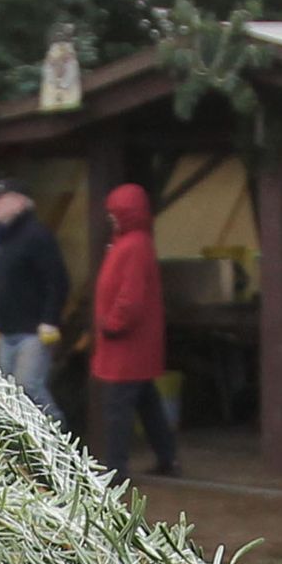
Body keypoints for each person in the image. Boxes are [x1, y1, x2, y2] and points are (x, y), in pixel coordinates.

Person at [87, 180, 176, 477]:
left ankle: (115, 469)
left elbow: (131, 297)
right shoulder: (131, 242)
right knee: (146, 403)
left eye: (116, 211)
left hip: (126, 344)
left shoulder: (133, 245)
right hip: (131, 345)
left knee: (118, 409)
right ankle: (167, 456)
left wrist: (112, 324)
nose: (111, 216)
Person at [0, 178, 67, 415]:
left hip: (33, 334)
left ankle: (61, 440)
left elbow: (57, 281)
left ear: (20, 202)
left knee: (28, 387)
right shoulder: (3, 239)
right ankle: (26, 450)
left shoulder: (37, 236)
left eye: (0, 198)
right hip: (5, 332)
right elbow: (0, 283)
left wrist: (50, 320)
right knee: (10, 396)